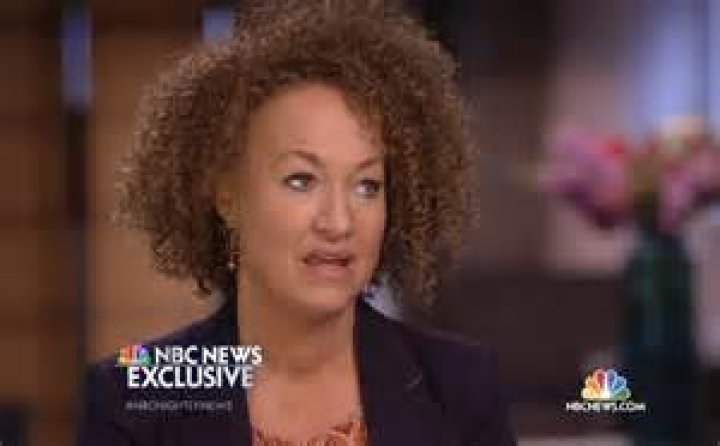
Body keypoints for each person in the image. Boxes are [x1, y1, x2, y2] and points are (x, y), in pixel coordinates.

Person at [80, 1, 516, 445]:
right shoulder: (129, 395)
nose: (339, 222)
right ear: (227, 195)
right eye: (301, 180)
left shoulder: (460, 387)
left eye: (367, 186)